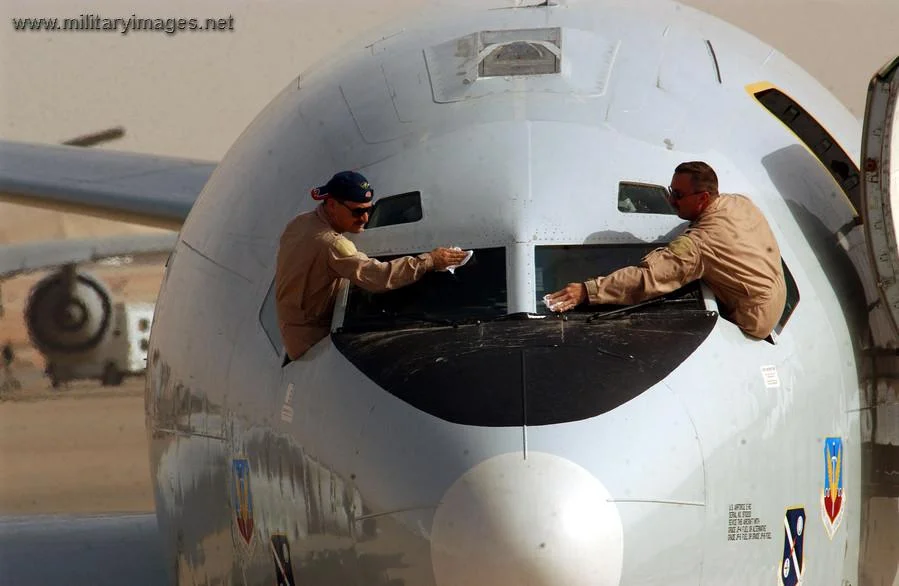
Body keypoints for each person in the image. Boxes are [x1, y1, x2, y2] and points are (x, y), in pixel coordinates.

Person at [546, 161, 787, 339]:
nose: (671, 201)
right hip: (777, 292)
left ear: (703, 198)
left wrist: (588, 291)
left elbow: (648, 278)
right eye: (671, 192)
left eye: (679, 195)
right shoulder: (737, 201)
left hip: (755, 317)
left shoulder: (699, 244)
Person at [276, 170, 468, 361]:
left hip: (291, 329)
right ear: (333, 205)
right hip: (311, 339)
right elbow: (379, 277)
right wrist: (430, 261)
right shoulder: (333, 245)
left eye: (369, 209)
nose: (365, 218)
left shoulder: (299, 222)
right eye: (357, 211)